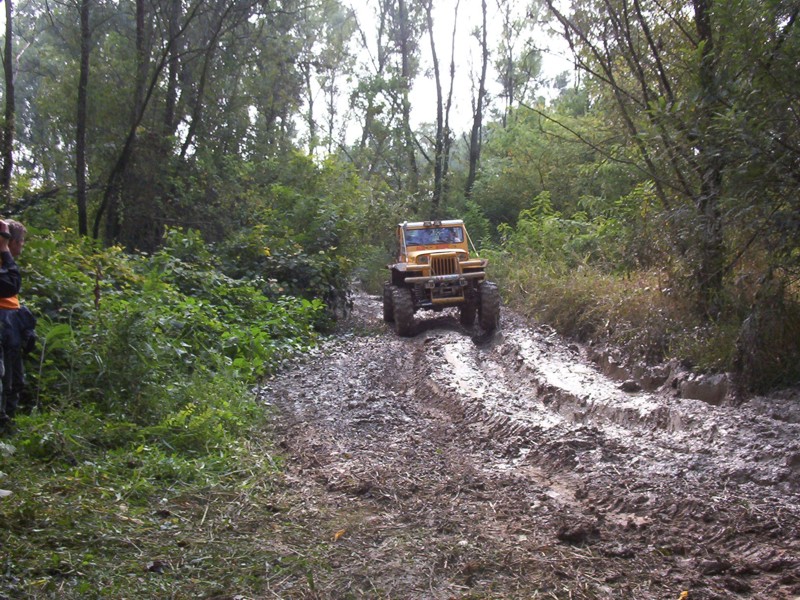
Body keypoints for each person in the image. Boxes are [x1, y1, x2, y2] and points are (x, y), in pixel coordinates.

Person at [0, 219, 29, 430]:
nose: (22, 246)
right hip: (3, 323)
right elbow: (11, 284)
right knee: (6, 378)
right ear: (12, 242)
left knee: (15, 380)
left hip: (11, 321)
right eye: (21, 241)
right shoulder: (5, 261)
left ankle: (10, 422)